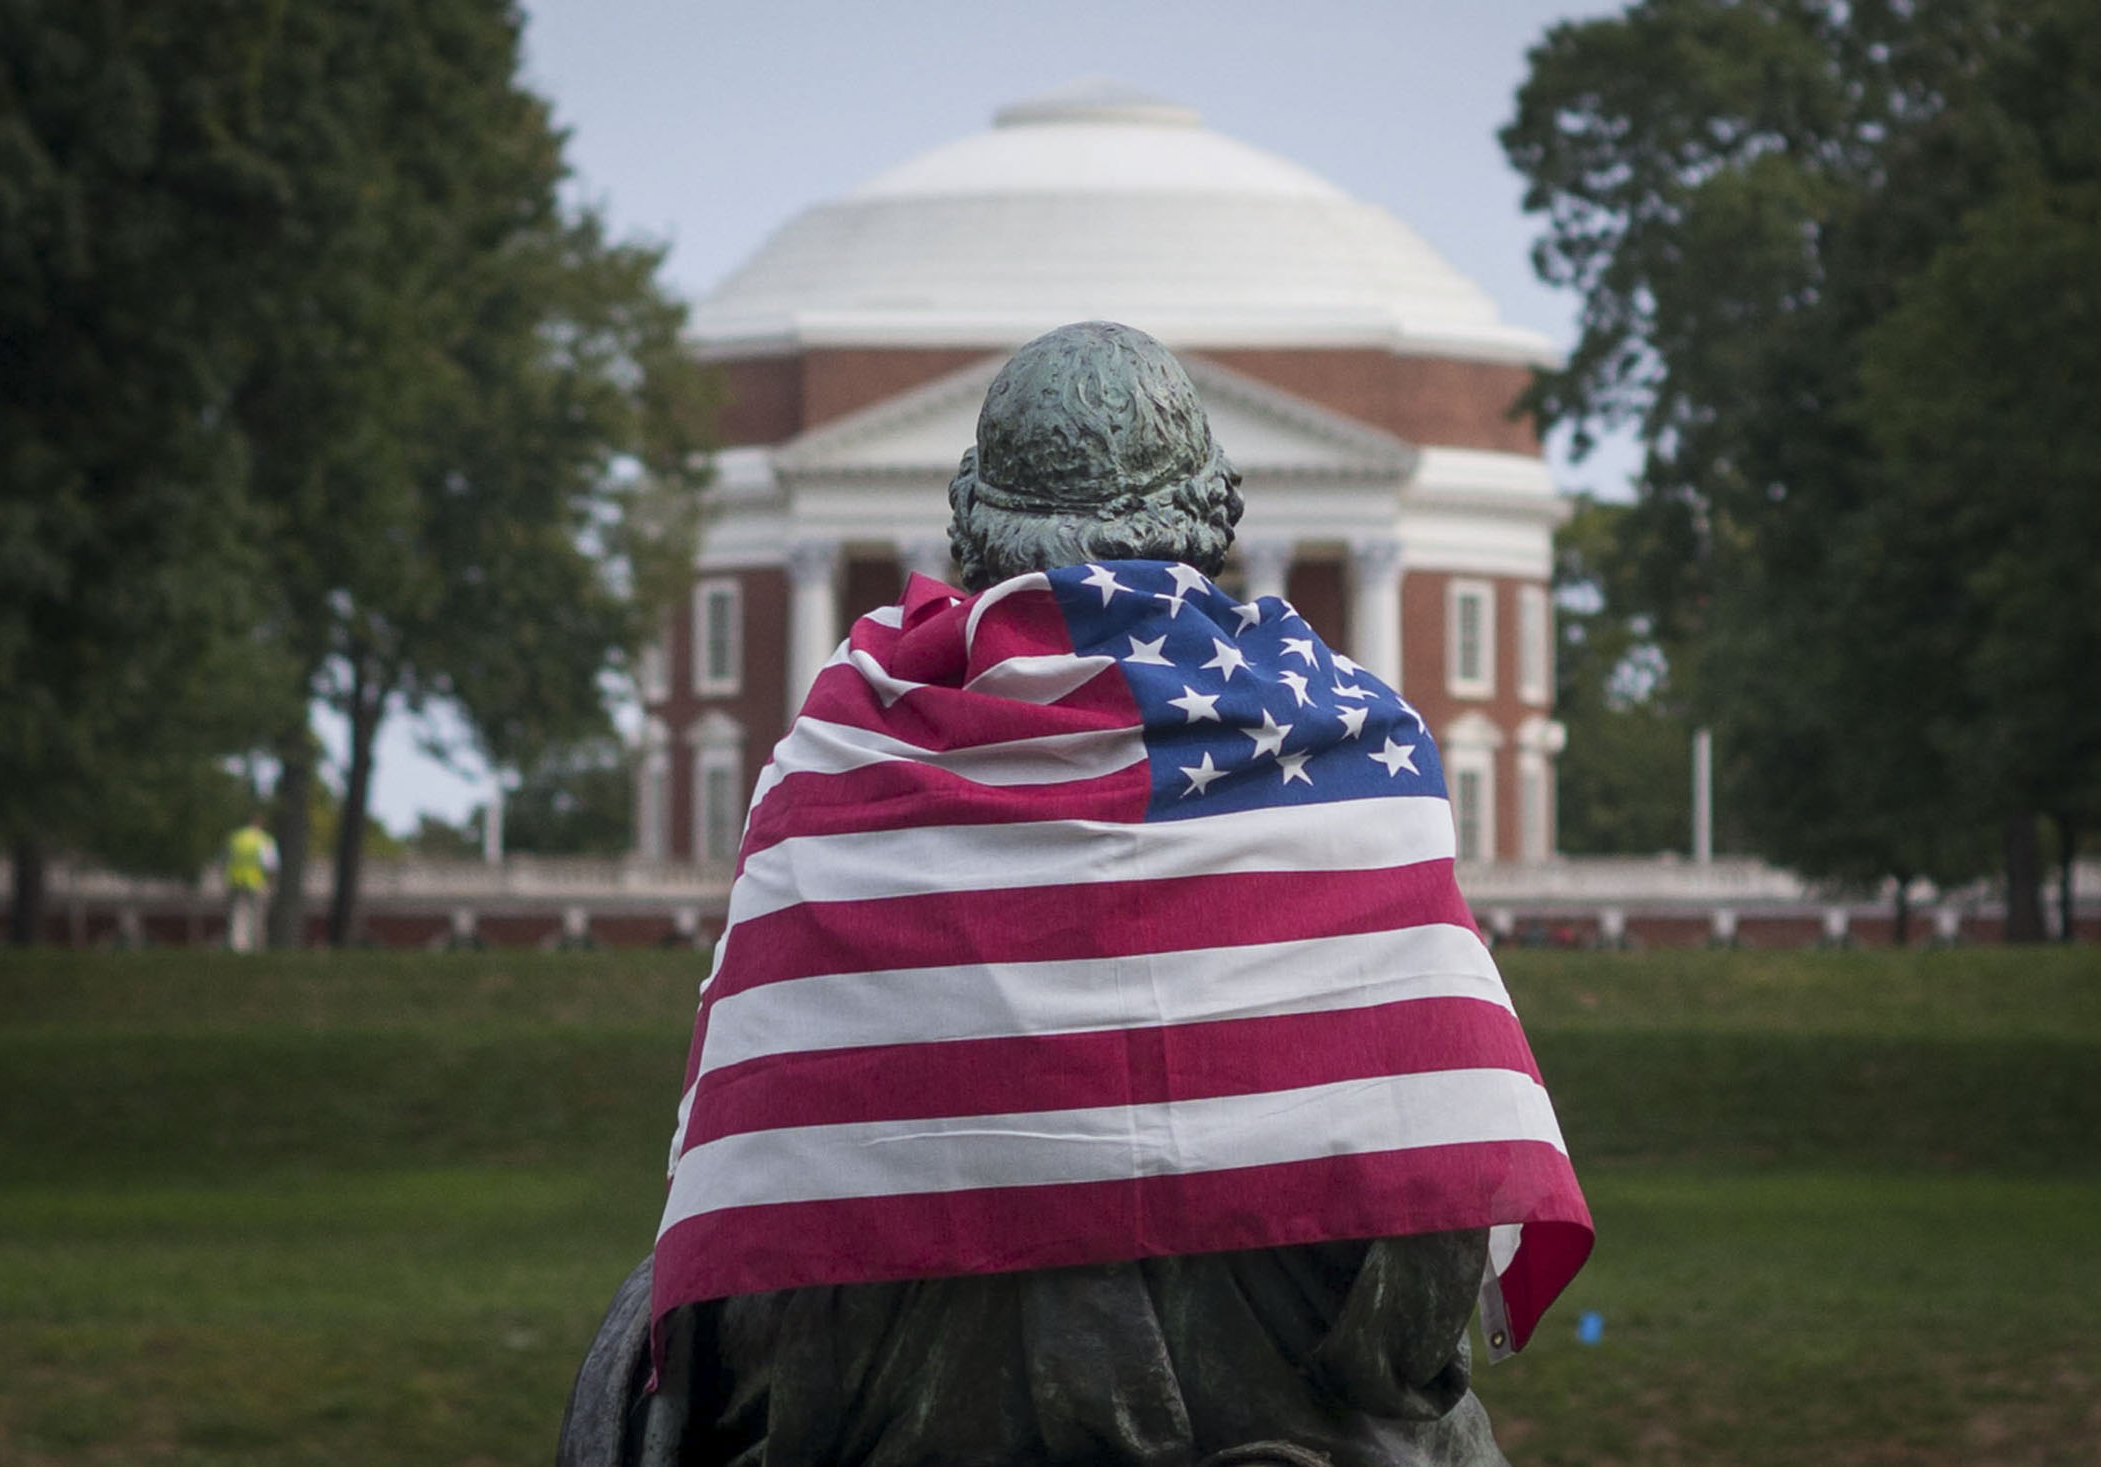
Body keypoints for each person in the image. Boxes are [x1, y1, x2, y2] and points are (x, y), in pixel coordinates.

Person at [558, 324, 1591, 1467]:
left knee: (634, 1351)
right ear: (1216, 513)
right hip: (1294, 1432)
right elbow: (1420, 1292)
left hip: (888, 1426)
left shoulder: (828, 779)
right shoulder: (1353, 767)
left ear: (968, 524)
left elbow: (740, 1284)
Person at [223, 811, 279, 953]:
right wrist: (272, 883)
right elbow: (270, 864)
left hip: (236, 881)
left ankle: (238, 948)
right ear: (260, 823)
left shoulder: (236, 838)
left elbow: (225, 859)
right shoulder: (263, 840)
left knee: (238, 916)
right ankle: (256, 947)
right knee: (257, 917)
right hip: (257, 882)